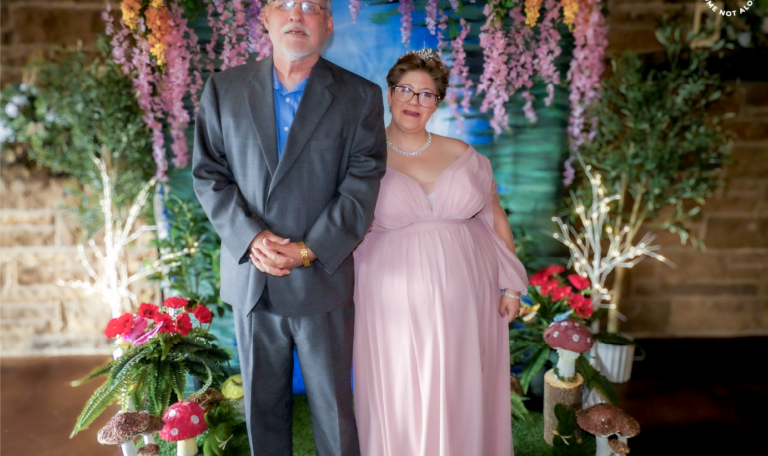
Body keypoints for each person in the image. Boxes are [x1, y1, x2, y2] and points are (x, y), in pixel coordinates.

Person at [191, 0, 387, 453]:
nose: (297, 15)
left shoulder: (359, 96)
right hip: (252, 279)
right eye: (285, 4)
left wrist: (307, 249)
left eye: (312, 7)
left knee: (335, 413)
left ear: (328, 24)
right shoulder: (224, 88)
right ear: (265, 18)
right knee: (262, 413)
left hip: (322, 277)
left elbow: (362, 184)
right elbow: (209, 174)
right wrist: (252, 238)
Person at [352, 49, 529, 456]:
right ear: (390, 93)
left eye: (426, 94)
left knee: (462, 387)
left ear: (438, 101)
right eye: (406, 90)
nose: (414, 101)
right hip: (391, 300)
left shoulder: (465, 155)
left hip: (469, 299)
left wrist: (512, 287)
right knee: (402, 391)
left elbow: (495, 218)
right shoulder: (363, 158)